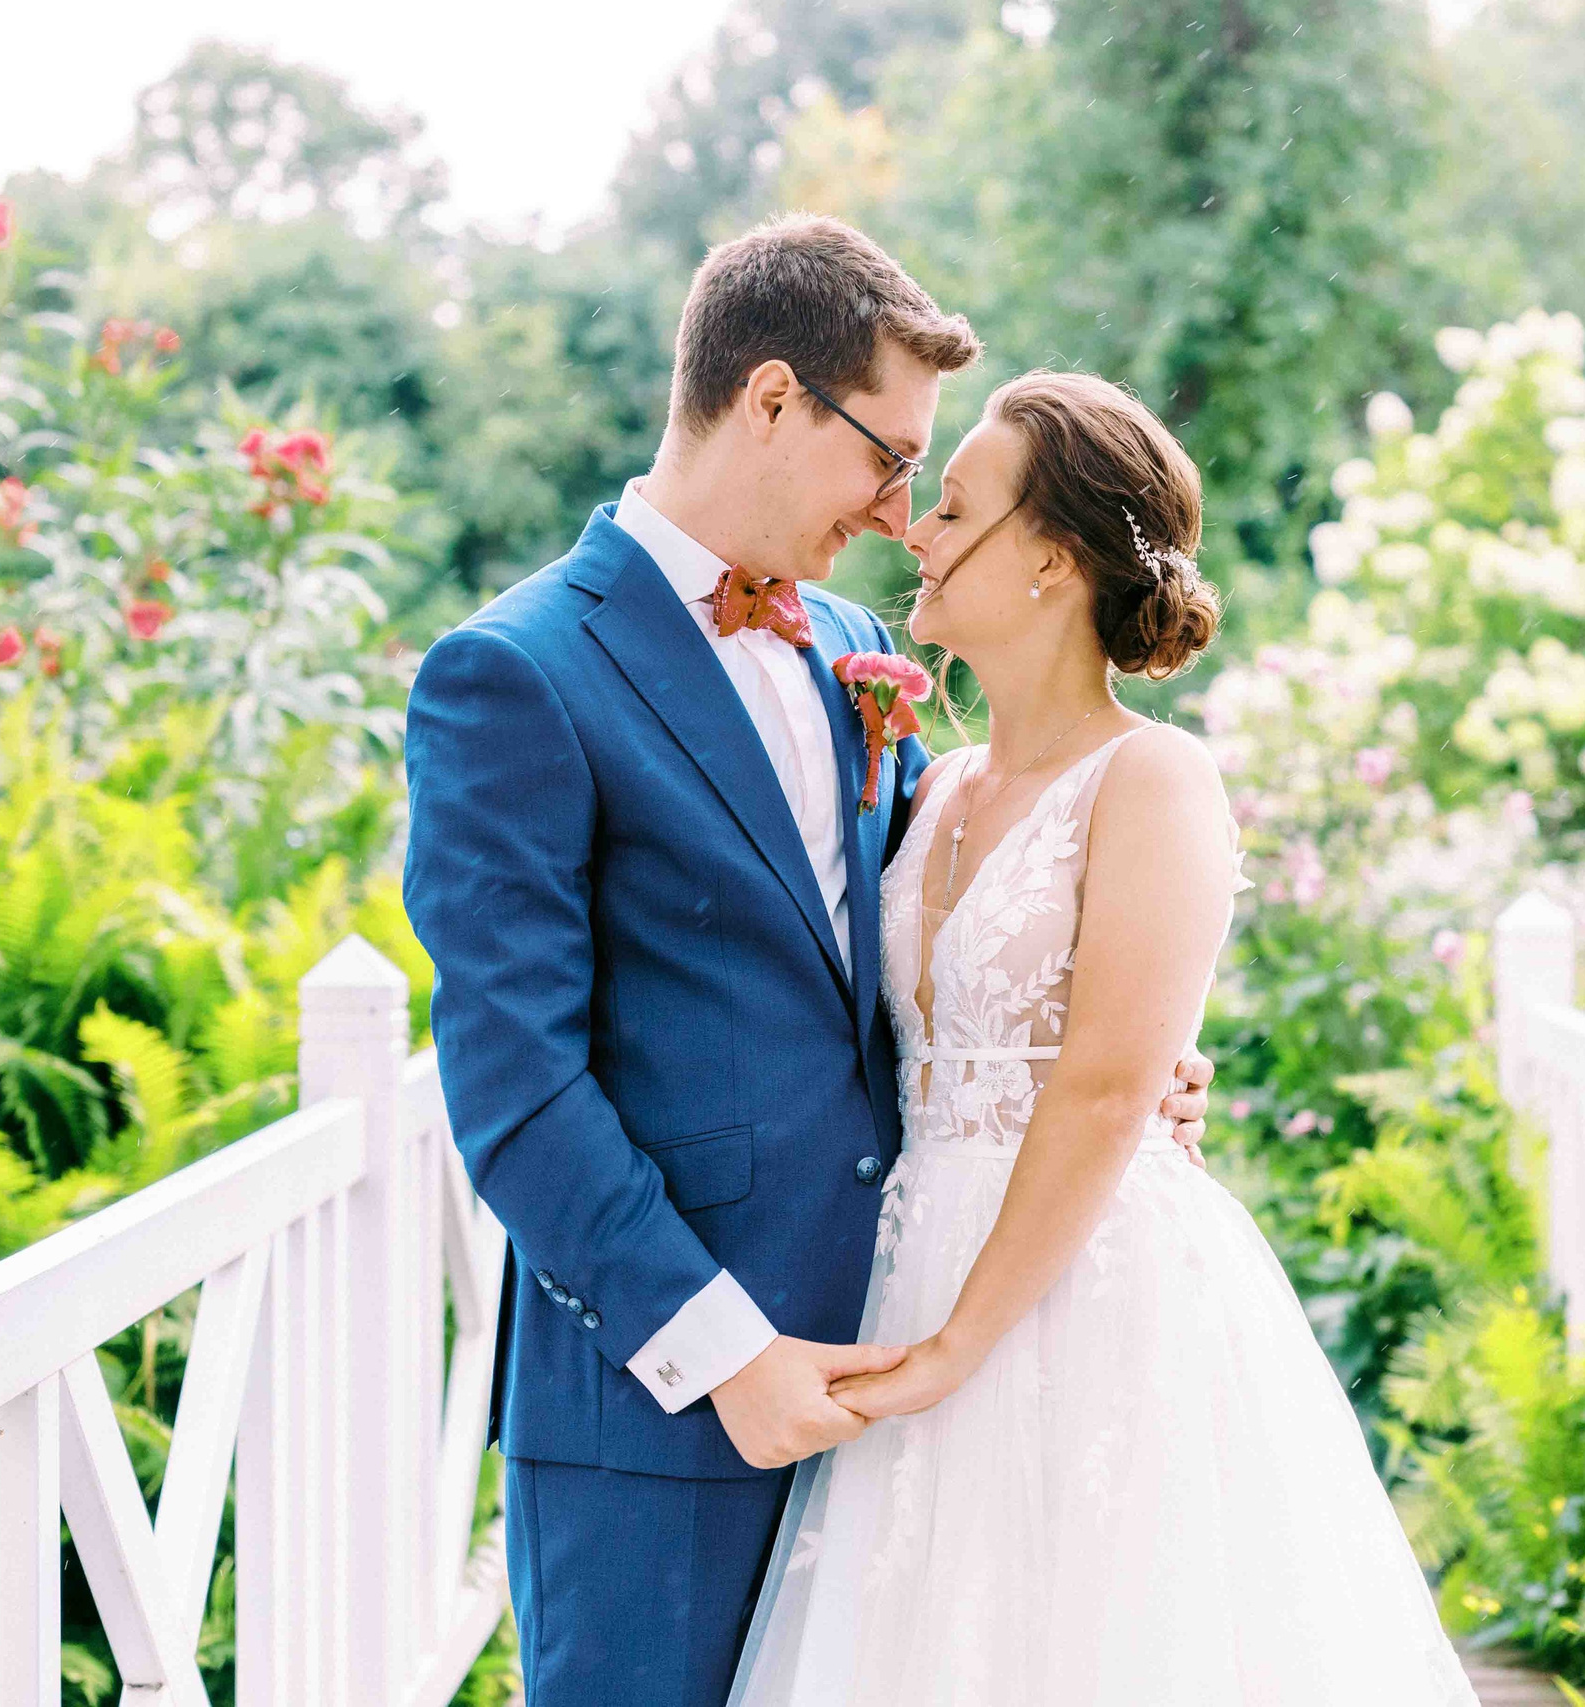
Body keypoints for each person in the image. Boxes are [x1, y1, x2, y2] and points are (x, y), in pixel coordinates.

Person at [400, 217, 1217, 1707]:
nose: (906, 510)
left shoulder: (858, 653)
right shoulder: (512, 673)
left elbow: (944, 954)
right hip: (664, 1414)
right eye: (889, 457)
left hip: (912, 1394)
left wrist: (1114, 1071)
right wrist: (723, 1354)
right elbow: (514, 1082)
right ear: (770, 399)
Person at [727, 371, 1482, 1706]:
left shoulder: (1156, 779)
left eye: (953, 506)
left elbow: (1105, 1085)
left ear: (1053, 559)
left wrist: (962, 1345)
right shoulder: (932, 779)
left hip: (1090, 1289)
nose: (916, 528)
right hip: (906, 1268)